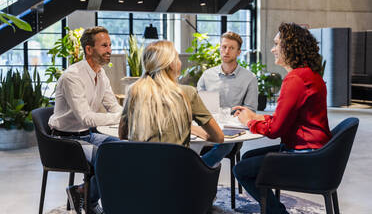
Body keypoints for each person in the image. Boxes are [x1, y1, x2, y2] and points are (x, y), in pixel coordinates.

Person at [232, 22, 332, 214]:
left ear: (291, 47)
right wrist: (257, 116)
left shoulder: (295, 79)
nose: (273, 49)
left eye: (277, 44)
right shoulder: (310, 75)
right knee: (248, 157)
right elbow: (289, 118)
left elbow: (275, 131)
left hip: (306, 155)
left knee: (241, 170)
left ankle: (277, 212)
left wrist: (249, 122)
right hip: (318, 151)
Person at [48, 26, 122, 214]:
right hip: (65, 141)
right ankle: (94, 202)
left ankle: (82, 192)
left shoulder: (101, 74)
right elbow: (86, 117)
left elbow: (113, 106)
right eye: (104, 46)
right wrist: (120, 118)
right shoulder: (72, 76)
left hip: (87, 136)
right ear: (89, 49)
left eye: (110, 45)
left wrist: (126, 117)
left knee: (123, 149)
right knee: (108, 158)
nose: (110, 50)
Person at [118, 40, 224, 148]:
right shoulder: (186, 93)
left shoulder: (134, 91)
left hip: (139, 164)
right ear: (172, 64)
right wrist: (193, 129)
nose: (180, 62)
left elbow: (123, 134)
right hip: (177, 164)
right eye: (177, 57)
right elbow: (218, 137)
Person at [194, 31, 258, 167]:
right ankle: (197, 172)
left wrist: (238, 116)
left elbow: (250, 110)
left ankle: (197, 169)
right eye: (224, 47)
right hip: (208, 125)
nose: (226, 51)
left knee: (224, 145)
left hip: (233, 129)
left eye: (231, 48)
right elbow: (197, 103)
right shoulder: (207, 75)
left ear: (239, 52)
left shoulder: (250, 78)